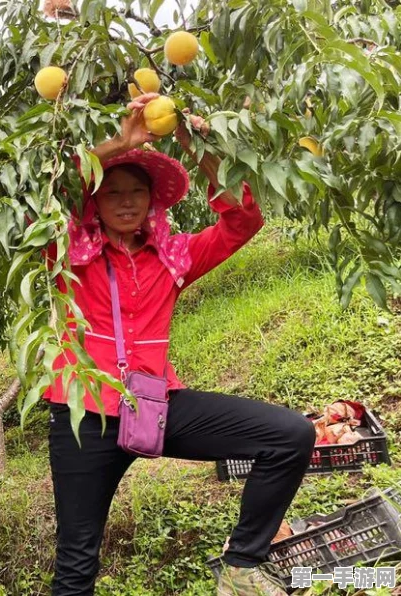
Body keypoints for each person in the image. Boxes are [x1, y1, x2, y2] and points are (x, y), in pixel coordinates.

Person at [44, 94, 315, 596]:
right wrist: (120, 144)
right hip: (85, 414)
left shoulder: (173, 255)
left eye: (137, 192)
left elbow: (243, 221)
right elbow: (42, 193)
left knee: (289, 435)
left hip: (155, 404)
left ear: (152, 200)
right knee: (77, 564)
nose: (126, 202)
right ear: (93, 202)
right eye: (112, 192)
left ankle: (240, 569)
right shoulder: (66, 251)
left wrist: (195, 144)